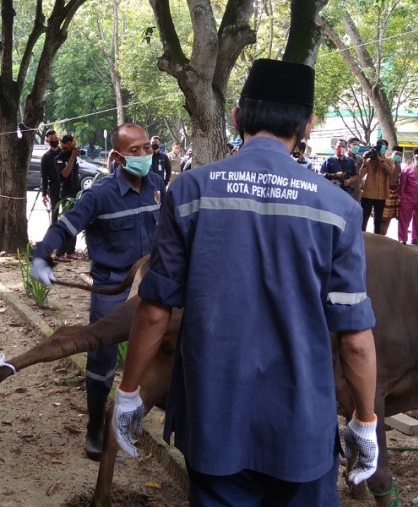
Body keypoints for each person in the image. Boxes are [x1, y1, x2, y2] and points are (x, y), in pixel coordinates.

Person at [112, 59, 378, 506]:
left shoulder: (190, 191)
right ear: (308, 126)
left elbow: (155, 311)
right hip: (302, 433)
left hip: (214, 421)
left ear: (236, 116)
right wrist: (365, 422)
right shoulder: (338, 209)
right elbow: (354, 338)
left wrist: (128, 392)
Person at [30, 123, 166, 461]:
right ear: (119, 157)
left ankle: (134, 418)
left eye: (146, 148)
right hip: (112, 287)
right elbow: (65, 227)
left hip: (150, 284)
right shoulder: (100, 194)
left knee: (162, 354)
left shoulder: (156, 185)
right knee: (101, 361)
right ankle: (95, 427)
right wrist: (40, 256)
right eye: (135, 151)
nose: (144, 156)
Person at [54, 134, 81, 261]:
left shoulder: (73, 156)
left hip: (75, 192)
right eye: (71, 145)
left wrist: (74, 156)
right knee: (65, 222)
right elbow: (65, 173)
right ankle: (59, 253)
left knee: (74, 221)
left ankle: (71, 251)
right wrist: (72, 157)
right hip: (65, 194)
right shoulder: (59, 158)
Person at [359, 139, 395, 233]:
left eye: (382, 145)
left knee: (378, 220)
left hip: (381, 195)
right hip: (368, 194)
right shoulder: (369, 160)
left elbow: (390, 171)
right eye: (378, 145)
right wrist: (364, 160)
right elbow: (361, 174)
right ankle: (362, 238)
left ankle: (377, 239)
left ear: (386, 148)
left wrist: (380, 159)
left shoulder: (389, 160)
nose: (380, 147)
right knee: (364, 219)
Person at [40, 129, 61, 228]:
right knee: (55, 213)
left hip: (66, 187)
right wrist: (44, 194)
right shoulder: (46, 157)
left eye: (56, 138)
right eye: (51, 139)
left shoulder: (64, 153)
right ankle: (54, 235)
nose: (54, 140)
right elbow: (44, 176)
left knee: (68, 213)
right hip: (53, 188)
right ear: (48, 141)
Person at [380, 145, 403, 235]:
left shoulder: (399, 166)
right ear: (391, 153)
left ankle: (384, 235)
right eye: (397, 154)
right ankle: (380, 235)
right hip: (385, 191)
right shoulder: (386, 162)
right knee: (383, 216)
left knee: (389, 217)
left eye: (400, 155)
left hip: (395, 192)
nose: (398, 156)